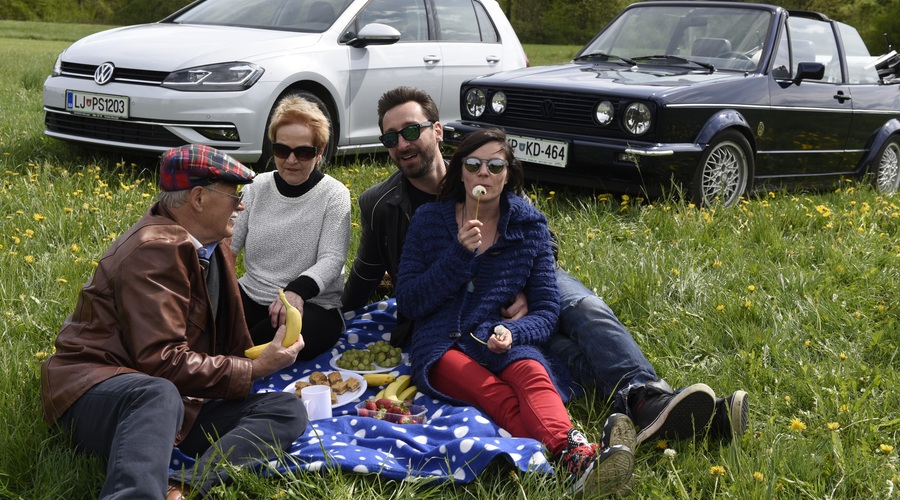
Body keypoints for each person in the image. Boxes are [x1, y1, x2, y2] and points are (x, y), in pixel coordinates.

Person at [341, 86, 749, 448]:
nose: (402, 144)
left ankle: (646, 396)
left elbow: (539, 241)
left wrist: (516, 284)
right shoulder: (383, 204)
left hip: (519, 282)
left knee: (583, 310)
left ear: (437, 132)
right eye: (391, 137)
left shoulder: (484, 166)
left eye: (411, 131)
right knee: (560, 352)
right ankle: (642, 418)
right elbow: (368, 273)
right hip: (456, 316)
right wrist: (334, 317)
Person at [40, 145, 308, 500]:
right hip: (95, 393)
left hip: (171, 399)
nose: (240, 205)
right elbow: (162, 362)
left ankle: (184, 486)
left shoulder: (213, 244)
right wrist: (254, 369)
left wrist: (257, 359)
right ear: (198, 197)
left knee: (285, 407)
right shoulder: (154, 249)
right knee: (157, 392)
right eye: (234, 195)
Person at [395, 128, 635, 496]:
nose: (483, 174)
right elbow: (409, 301)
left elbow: (547, 308)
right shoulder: (429, 220)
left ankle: (579, 459)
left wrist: (515, 334)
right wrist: (457, 256)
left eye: (495, 165)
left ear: (508, 173)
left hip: (499, 333)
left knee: (533, 373)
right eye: (474, 164)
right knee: (496, 395)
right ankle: (579, 458)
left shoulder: (529, 225)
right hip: (440, 344)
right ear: (460, 171)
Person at [231, 95, 350, 359]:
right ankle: (236, 355)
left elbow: (332, 259)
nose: (291, 160)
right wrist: (221, 295)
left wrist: (296, 291)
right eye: (282, 150)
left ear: (320, 152)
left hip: (310, 304)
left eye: (304, 152)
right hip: (253, 294)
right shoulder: (256, 186)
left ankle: (232, 357)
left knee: (293, 333)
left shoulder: (335, 194)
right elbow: (228, 246)